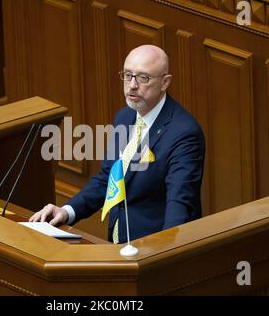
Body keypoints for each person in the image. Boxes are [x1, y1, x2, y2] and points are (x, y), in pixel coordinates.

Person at [30, 45, 205, 243]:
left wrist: (161, 259)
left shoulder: (184, 133)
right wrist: (67, 211)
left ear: (165, 82)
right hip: (118, 244)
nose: (132, 85)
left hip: (152, 251)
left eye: (143, 78)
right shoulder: (125, 117)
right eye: (128, 75)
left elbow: (179, 206)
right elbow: (109, 178)